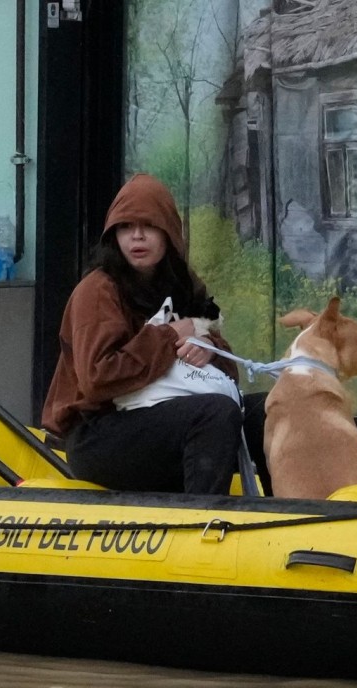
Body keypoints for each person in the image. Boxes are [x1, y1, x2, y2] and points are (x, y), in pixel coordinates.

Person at [41, 173, 267, 495]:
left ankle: (286, 514)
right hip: (99, 434)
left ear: (169, 234)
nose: (137, 237)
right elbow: (98, 378)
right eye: (125, 227)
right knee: (215, 414)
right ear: (113, 236)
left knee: (269, 410)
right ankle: (203, 524)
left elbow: (227, 376)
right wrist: (168, 335)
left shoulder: (184, 284)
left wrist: (209, 348)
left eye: (148, 227)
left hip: (165, 417)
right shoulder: (97, 289)